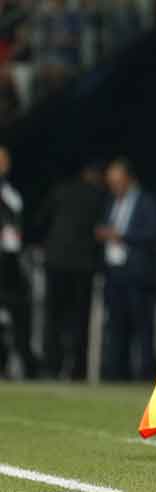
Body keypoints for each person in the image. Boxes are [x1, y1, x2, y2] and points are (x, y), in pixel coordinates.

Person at [38, 162, 105, 380]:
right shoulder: (97, 196)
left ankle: (51, 366)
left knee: (53, 317)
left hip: (56, 261)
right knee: (79, 319)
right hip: (81, 265)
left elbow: (42, 221)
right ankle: (78, 369)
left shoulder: (60, 191)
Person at [96, 158, 156, 380]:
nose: (114, 186)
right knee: (116, 326)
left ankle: (146, 373)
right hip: (115, 273)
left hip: (138, 274)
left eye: (117, 180)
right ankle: (117, 373)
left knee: (142, 327)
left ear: (128, 179)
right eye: (110, 182)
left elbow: (152, 233)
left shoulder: (146, 202)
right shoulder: (111, 202)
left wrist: (122, 236)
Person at [0, 145, 38, 378]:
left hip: (9, 259)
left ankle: (17, 363)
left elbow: (19, 223)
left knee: (16, 311)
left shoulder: (11, 194)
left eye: (5, 159)